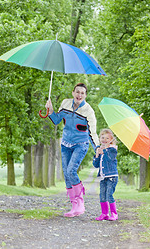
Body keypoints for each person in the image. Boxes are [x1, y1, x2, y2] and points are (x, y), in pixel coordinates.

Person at [45, 83, 99, 217]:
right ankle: (74, 205)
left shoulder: (88, 111)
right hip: (65, 144)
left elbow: (93, 132)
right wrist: (50, 111)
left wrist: (97, 147)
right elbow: (57, 120)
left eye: (82, 93)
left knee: (71, 171)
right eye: (77, 92)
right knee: (66, 174)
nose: (79, 95)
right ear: (73, 92)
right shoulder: (65, 103)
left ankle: (80, 202)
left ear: (85, 96)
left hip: (81, 144)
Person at [93, 128, 118, 221]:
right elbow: (95, 165)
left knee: (109, 194)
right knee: (102, 195)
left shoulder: (112, 150)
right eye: (102, 137)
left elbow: (110, 158)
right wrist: (97, 154)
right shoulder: (100, 149)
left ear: (111, 140)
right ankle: (104, 213)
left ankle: (114, 214)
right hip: (103, 177)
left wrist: (105, 150)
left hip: (112, 177)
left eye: (107, 138)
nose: (104, 140)